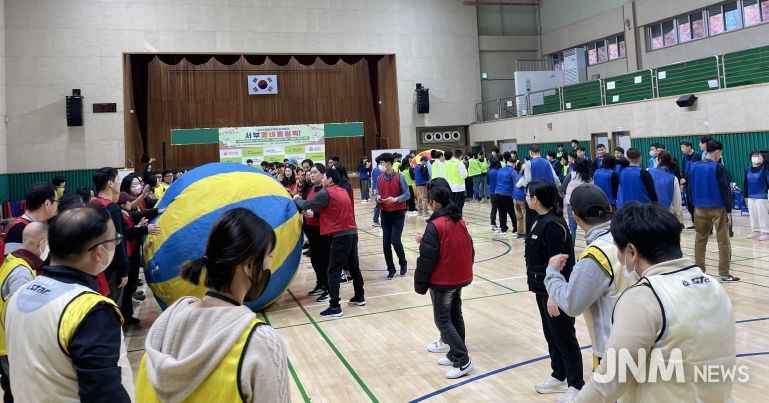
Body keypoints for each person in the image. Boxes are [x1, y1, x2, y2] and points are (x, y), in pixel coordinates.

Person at [575, 202, 736, 403]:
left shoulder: (643, 297)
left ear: (631, 251)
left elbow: (609, 382)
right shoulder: (714, 286)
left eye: (618, 249)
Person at [135, 208, 289, 402]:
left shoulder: (163, 331)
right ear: (249, 266)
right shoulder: (261, 343)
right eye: (270, 257)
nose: (270, 265)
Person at [5, 207, 133, 401]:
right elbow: (104, 393)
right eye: (115, 240)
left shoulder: (21, 294)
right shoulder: (90, 309)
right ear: (99, 252)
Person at [544, 184, 632, 373]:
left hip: (611, 349)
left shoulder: (596, 254)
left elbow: (572, 303)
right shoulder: (630, 237)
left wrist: (552, 274)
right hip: (643, 340)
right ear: (609, 208)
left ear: (575, 217)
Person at [524, 180, 583, 401]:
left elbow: (559, 263)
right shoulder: (539, 219)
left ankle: (576, 384)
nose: (526, 198)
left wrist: (553, 295)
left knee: (564, 336)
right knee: (552, 335)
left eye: (528, 195)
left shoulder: (553, 226)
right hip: (542, 288)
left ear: (536, 199)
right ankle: (559, 374)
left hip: (555, 291)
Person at [414, 186, 475, 379]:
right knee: (455, 316)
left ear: (435, 203)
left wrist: (420, 283)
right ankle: (454, 354)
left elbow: (427, 258)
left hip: (444, 280)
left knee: (442, 320)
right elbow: (470, 248)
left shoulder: (436, 225)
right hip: (459, 277)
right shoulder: (458, 220)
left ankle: (463, 360)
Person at [294, 168, 365, 317]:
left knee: (333, 270)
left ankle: (334, 307)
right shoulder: (342, 191)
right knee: (354, 267)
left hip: (341, 236)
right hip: (352, 232)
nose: (323, 179)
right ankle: (360, 296)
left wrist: (296, 198)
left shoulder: (326, 192)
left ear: (330, 179)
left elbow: (305, 204)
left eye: (325, 176)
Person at [0, 222, 48, 401]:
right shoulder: (22, 273)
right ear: (42, 243)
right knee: (19, 392)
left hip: (8, 343)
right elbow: (24, 316)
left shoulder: (13, 260)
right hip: (11, 346)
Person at [687, 141, 740, 282]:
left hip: (699, 208)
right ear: (717, 152)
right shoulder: (719, 167)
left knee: (700, 240)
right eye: (720, 152)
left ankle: (700, 271)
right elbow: (725, 190)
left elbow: (689, 189)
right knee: (723, 241)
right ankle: (724, 274)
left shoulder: (693, 166)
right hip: (718, 208)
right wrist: (728, 211)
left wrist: (693, 206)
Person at [90, 167, 130, 301]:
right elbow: (118, 240)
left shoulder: (92, 203)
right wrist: (124, 270)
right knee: (113, 302)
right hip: (112, 266)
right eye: (118, 179)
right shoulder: (112, 208)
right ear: (110, 183)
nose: (120, 182)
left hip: (95, 262)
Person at [376, 153, 411, 279]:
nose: (380, 165)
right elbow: (377, 192)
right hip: (385, 213)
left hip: (398, 213)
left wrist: (396, 199)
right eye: (379, 163)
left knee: (395, 241)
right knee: (386, 244)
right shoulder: (379, 178)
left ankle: (403, 262)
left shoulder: (400, 177)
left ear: (389, 164)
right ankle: (391, 269)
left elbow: (407, 194)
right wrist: (378, 198)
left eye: (382, 163)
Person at [0, 183, 58, 256]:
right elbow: (11, 261)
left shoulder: (39, 224)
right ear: (47, 204)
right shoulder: (18, 229)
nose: (57, 205)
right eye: (57, 201)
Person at [517, 144, 561, 234]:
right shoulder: (547, 162)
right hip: (548, 194)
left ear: (530, 152)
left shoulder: (528, 163)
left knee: (531, 219)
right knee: (548, 215)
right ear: (540, 152)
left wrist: (521, 184)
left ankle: (531, 237)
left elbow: (528, 180)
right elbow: (555, 178)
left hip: (534, 195)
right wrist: (560, 190)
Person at [303, 163, 331, 301]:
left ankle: (329, 288)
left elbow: (329, 211)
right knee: (314, 258)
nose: (312, 175)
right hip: (311, 229)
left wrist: (314, 215)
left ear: (323, 174)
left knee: (324, 259)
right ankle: (320, 283)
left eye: (315, 172)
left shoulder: (326, 190)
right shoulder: (311, 188)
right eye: (311, 173)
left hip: (322, 230)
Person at [560, 158, 594, 241]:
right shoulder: (590, 177)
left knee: (572, 227)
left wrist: (562, 195)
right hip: (585, 204)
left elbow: (561, 188)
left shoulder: (571, 175)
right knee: (587, 226)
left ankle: (571, 246)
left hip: (572, 204)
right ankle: (589, 244)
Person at [650, 150, 683, 223]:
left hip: (650, 213)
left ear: (659, 160)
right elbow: (677, 201)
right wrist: (680, 220)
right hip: (667, 214)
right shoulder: (673, 178)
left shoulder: (648, 171)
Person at [744, 150, 769, 240]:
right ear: (750, 158)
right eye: (754, 155)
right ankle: (755, 231)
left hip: (762, 195)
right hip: (751, 195)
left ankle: (765, 232)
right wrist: (745, 196)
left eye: (758, 155)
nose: (756, 157)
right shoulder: (748, 169)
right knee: (753, 215)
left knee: (762, 215)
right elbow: (745, 183)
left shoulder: (765, 169)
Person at [494, 152, 518, 236]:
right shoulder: (513, 171)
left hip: (497, 193)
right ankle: (515, 228)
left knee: (501, 212)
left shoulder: (500, 170)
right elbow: (516, 184)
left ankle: (503, 228)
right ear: (514, 164)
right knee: (512, 212)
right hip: (507, 194)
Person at [679, 140, 702, 228]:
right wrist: (682, 180)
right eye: (681, 147)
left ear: (689, 147)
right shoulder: (684, 158)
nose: (682, 149)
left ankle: (701, 224)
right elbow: (683, 170)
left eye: (684, 147)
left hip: (696, 183)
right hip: (688, 184)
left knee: (697, 204)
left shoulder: (698, 156)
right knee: (690, 205)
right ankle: (695, 223)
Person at [512, 161, 527, 238]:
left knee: (519, 216)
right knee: (525, 216)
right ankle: (526, 234)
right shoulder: (525, 177)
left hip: (515, 197)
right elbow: (519, 185)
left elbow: (516, 185)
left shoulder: (518, 174)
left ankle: (520, 233)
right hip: (521, 198)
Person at [487, 158, 501, 231]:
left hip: (492, 192)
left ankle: (493, 224)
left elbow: (488, 182)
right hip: (501, 192)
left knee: (494, 209)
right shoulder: (501, 171)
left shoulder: (489, 171)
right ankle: (502, 225)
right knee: (501, 209)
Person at [371, 156, 383, 227]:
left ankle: (375, 220)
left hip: (376, 190)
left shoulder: (374, 170)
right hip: (380, 190)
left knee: (378, 205)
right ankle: (379, 221)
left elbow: (372, 181)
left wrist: (372, 190)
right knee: (381, 205)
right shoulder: (381, 170)